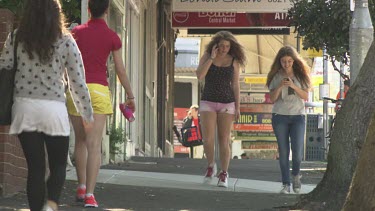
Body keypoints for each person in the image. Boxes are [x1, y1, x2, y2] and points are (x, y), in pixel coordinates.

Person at [0, 0, 94, 210]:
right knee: (58, 164)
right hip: (54, 110)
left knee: (35, 168)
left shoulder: (16, 37)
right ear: (57, 14)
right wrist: (87, 115)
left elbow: (4, 67)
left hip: (24, 109)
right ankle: (51, 204)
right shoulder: (67, 41)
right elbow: (77, 81)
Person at [66, 0, 135, 208]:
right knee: (94, 145)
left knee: (79, 141)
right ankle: (89, 195)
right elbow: (120, 69)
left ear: (88, 10)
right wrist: (130, 95)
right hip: (98, 91)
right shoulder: (112, 37)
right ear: (106, 10)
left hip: (76, 89)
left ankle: (80, 185)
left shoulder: (75, 33)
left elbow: (66, 61)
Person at [196, 31, 246, 188]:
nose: (224, 49)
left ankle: (224, 173)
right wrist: (211, 58)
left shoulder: (234, 61)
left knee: (224, 139)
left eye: (227, 46)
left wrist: (237, 107)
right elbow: (199, 75)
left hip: (227, 103)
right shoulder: (207, 56)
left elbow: (236, 85)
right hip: (208, 101)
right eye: (222, 45)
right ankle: (211, 165)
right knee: (207, 139)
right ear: (216, 45)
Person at [266, 45, 311, 194]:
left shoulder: (300, 74)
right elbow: (272, 98)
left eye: (289, 61)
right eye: (284, 61)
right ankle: (286, 183)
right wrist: (279, 86)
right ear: (279, 61)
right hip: (280, 116)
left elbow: (305, 96)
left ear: (294, 61)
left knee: (297, 152)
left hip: (297, 116)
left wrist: (293, 85)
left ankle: (296, 175)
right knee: (283, 151)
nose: (286, 64)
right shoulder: (276, 75)